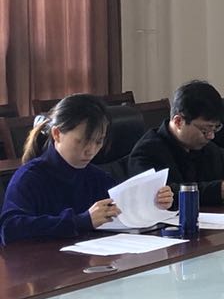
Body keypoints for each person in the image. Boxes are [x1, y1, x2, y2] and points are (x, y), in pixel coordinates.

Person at [0, 94, 172, 245]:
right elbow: (9, 229)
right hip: (42, 266)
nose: (91, 150)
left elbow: (121, 213)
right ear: (57, 134)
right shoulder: (29, 177)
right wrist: (81, 221)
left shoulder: (97, 178)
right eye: (81, 141)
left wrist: (153, 203)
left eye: (98, 141)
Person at [128, 80, 224, 205]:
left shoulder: (205, 147)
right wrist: (223, 190)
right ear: (178, 121)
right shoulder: (147, 152)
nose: (211, 136)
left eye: (215, 128)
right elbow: (163, 196)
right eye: (205, 130)